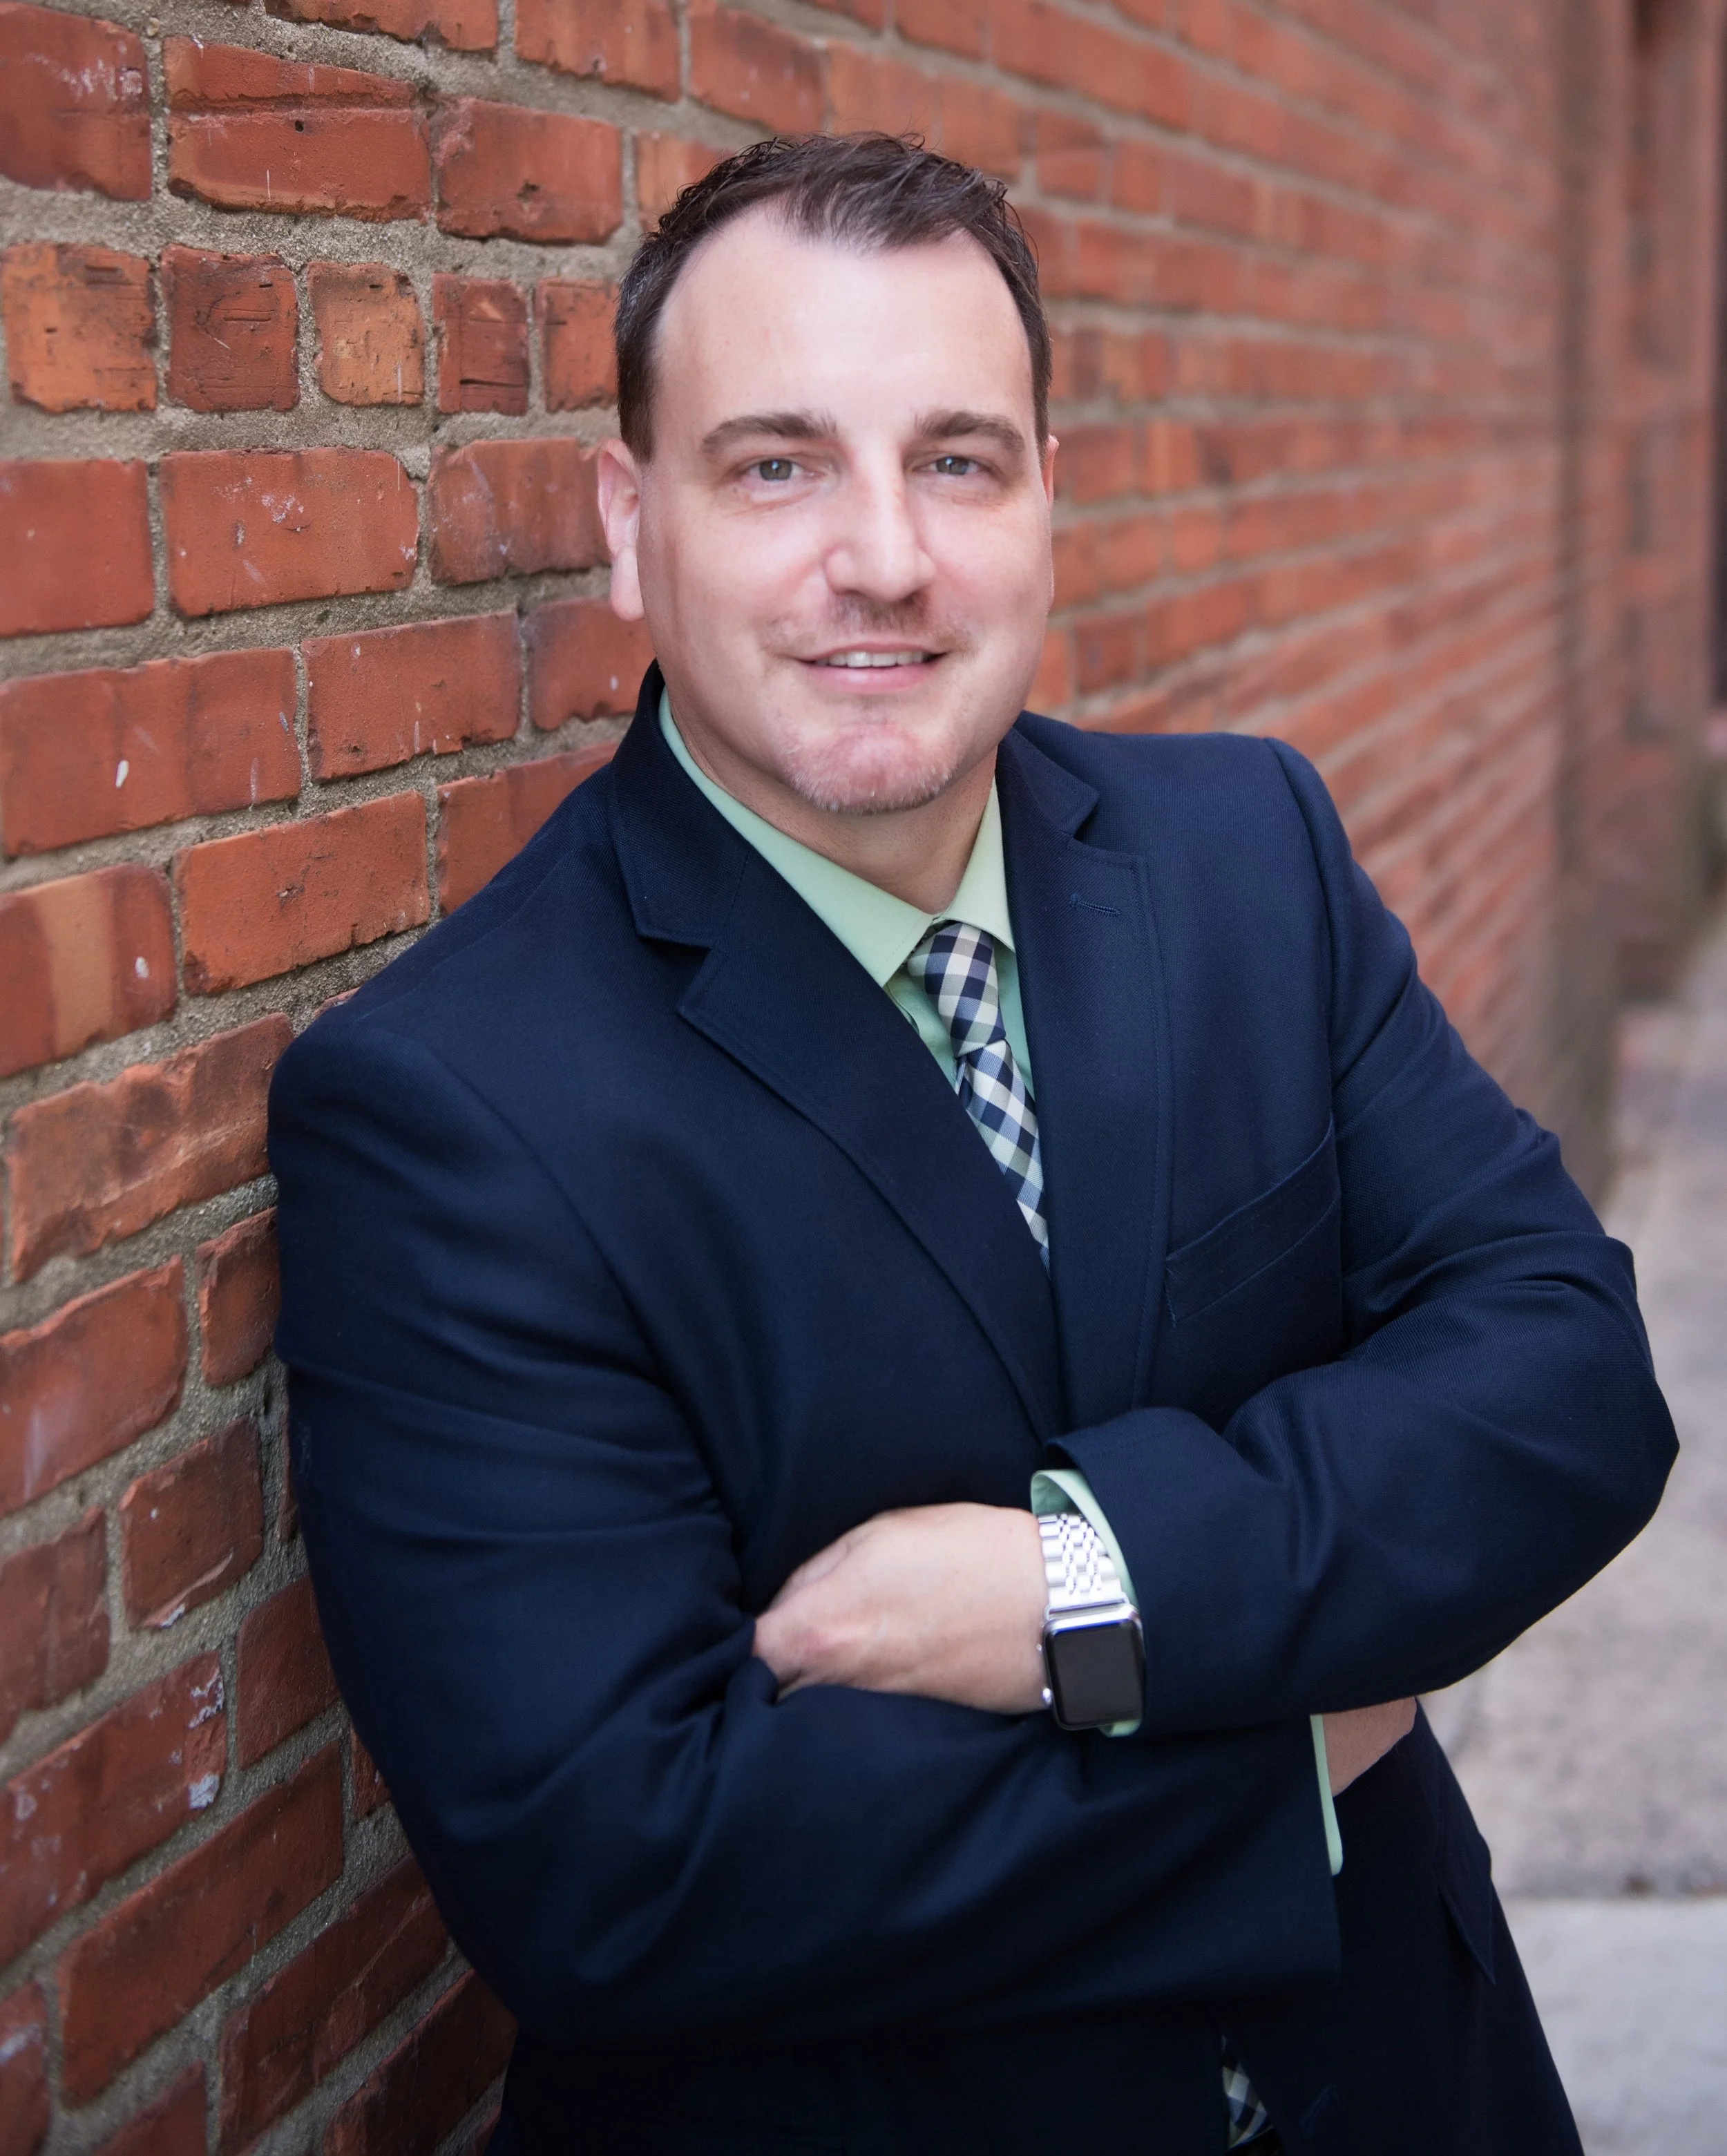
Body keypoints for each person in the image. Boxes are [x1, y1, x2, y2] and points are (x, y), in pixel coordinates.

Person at [269, 133, 1676, 2155]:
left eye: (957, 460)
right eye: (776, 466)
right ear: (629, 527)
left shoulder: (1246, 858)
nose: (885, 558)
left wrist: (1082, 1589)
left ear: (1044, 503)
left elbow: (1562, 1372)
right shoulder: (449, 1107)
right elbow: (627, 1869)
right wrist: (1292, 1750)